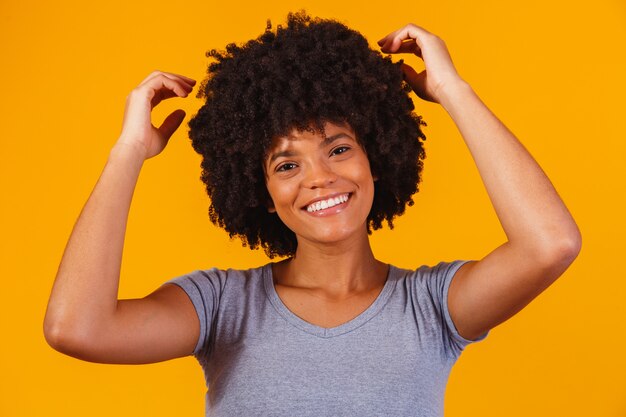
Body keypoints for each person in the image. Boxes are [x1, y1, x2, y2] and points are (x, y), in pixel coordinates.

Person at [44, 11, 581, 416]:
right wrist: (128, 153)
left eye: (339, 148)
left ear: (377, 158)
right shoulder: (224, 306)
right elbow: (76, 328)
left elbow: (550, 244)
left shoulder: (431, 308)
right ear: (263, 192)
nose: (319, 177)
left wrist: (452, 91)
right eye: (286, 164)